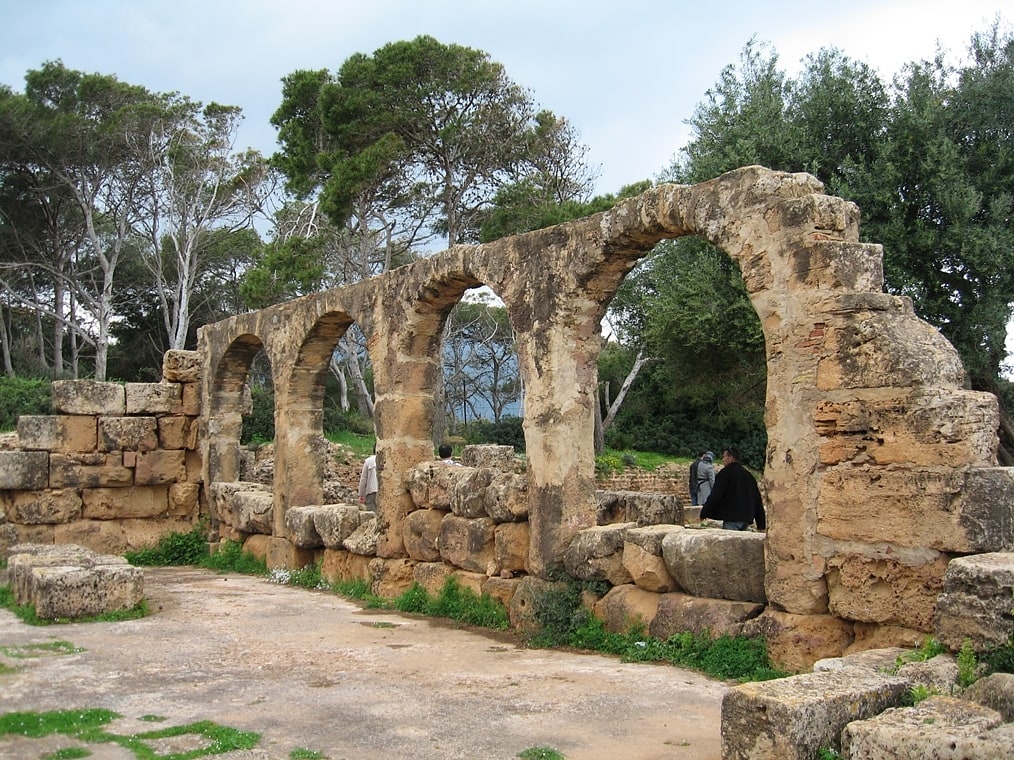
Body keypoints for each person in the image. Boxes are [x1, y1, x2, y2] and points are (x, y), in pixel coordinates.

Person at [700, 447, 766, 531]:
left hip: (732, 517)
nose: (723, 459)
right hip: (746, 518)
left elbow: (716, 496)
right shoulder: (749, 476)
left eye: (724, 457)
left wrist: (704, 512)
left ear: (730, 457)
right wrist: (761, 524)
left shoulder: (725, 474)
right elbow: (757, 500)